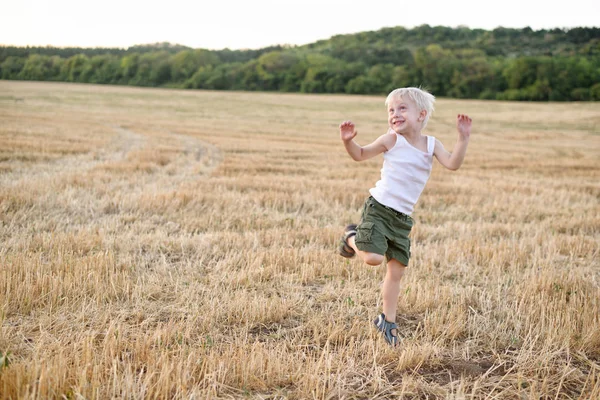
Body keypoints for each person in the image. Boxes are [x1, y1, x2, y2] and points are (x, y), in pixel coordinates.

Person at [338, 87, 472, 346]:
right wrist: (348, 142)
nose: (394, 114)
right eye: (391, 110)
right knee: (374, 258)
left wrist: (463, 138)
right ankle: (351, 238)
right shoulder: (391, 140)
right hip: (379, 208)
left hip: (402, 219)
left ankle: (387, 321)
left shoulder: (432, 144)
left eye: (401, 109)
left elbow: (453, 163)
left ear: (421, 114)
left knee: (396, 272)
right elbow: (361, 155)